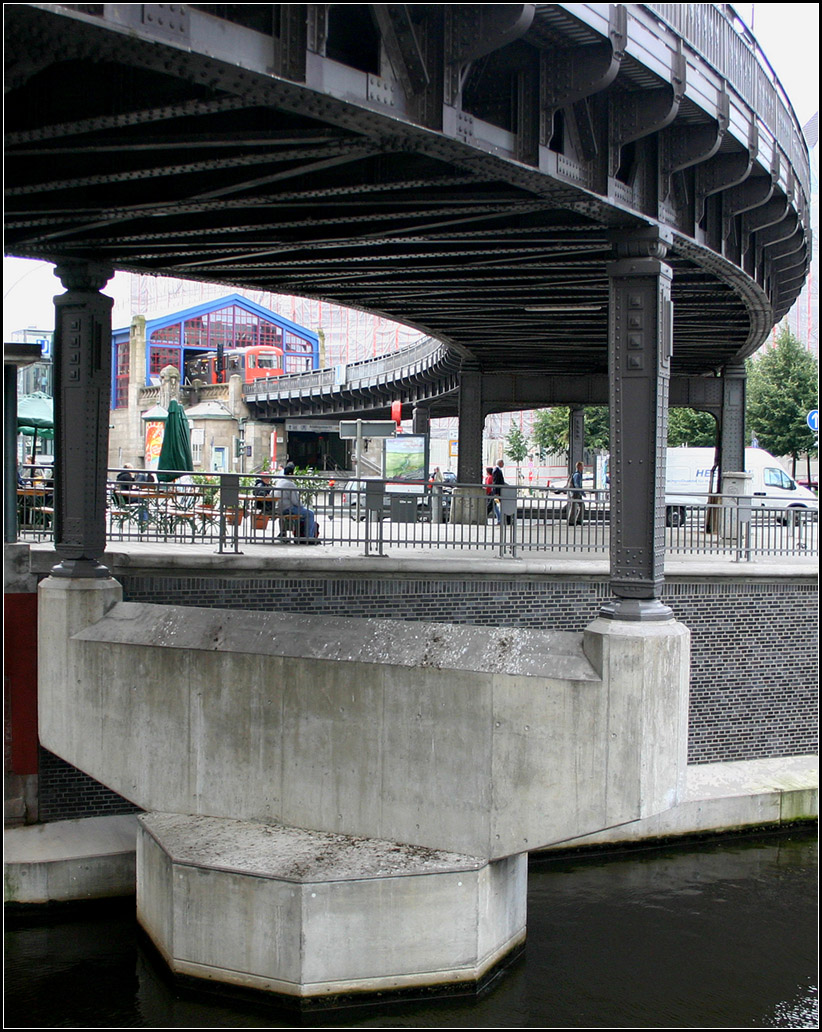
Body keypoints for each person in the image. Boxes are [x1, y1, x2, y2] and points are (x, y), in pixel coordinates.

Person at [271, 463, 319, 542]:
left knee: (302, 513)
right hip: (288, 508)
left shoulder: (280, 481)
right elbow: (296, 501)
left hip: (279, 508)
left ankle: (301, 536)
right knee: (310, 513)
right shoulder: (290, 484)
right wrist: (302, 506)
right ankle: (309, 537)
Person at [568, 461, 585, 525]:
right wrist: (582, 492)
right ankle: (572, 521)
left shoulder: (577, 474)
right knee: (575, 507)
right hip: (576, 493)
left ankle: (576, 520)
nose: (583, 467)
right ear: (579, 467)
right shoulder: (577, 475)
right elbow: (577, 485)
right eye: (582, 466)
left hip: (576, 493)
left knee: (579, 506)